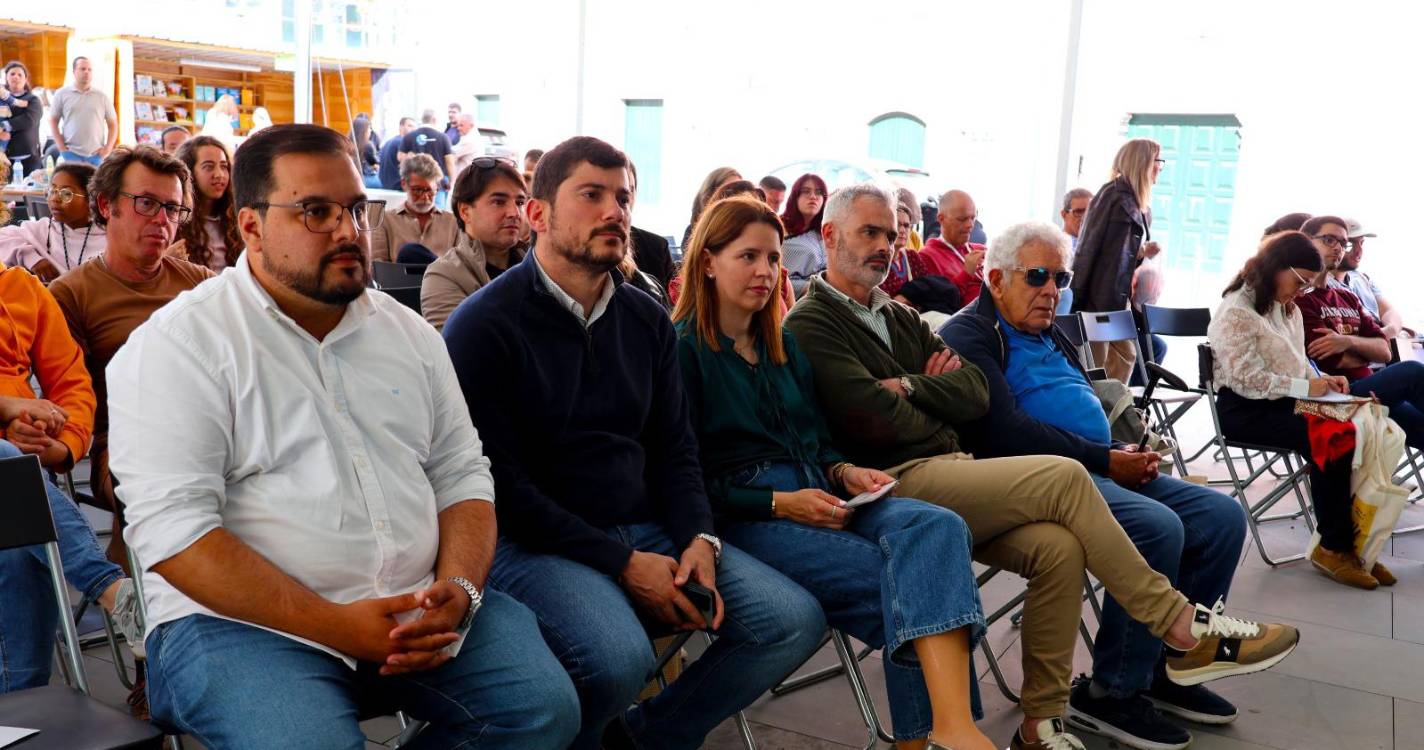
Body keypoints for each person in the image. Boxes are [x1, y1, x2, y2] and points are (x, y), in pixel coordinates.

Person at [106, 123, 578, 748]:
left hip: (416, 603)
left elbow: (461, 473)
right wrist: (336, 624)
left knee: (543, 709)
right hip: (240, 625)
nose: (347, 230)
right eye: (315, 212)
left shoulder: (406, 335)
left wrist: (459, 589)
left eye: (355, 209)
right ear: (250, 226)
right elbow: (175, 532)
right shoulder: (180, 346)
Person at [786, 183, 1299, 750]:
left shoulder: (896, 314)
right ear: (829, 236)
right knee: (1065, 477)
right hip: (892, 485)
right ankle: (1179, 624)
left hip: (949, 467)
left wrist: (911, 387)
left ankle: (1041, 722)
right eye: (870, 232)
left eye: (890, 233)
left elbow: (974, 392)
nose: (886, 245)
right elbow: (871, 420)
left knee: (1061, 547)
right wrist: (933, 397)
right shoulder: (812, 323)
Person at [442, 136, 825, 750]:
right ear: (537, 214)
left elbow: (676, 448)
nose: (614, 211)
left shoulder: (645, 318)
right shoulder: (485, 325)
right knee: (617, 658)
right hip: (532, 541)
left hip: (641, 525)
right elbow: (500, 488)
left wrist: (698, 537)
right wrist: (622, 564)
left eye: (623, 197)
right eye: (591, 195)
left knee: (789, 621)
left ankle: (644, 737)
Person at [672, 194, 996, 750]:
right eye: (748, 257)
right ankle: (938, 738)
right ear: (707, 261)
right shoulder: (683, 353)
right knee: (911, 583)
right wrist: (779, 503)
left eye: (773, 259)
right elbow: (685, 478)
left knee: (938, 529)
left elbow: (817, 441)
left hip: (821, 492)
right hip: (748, 514)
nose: (766, 272)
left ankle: (950, 730)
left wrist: (843, 470)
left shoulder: (782, 347)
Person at [943, 221, 1277, 749]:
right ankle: (1112, 693)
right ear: (997, 278)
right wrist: (1104, 457)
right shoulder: (971, 333)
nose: (1052, 290)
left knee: (1221, 517)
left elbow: (1082, 395)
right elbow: (1003, 431)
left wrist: (1119, 450)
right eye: (1037, 276)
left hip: (1098, 466)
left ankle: (1169, 671)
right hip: (1034, 479)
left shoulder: (1045, 327)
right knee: (1158, 527)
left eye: (1060, 276)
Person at [47, 147, 213, 570]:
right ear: (107, 206)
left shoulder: (202, 285)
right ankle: (145, 591)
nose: (163, 220)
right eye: (147, 203)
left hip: (216, 432)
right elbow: (73, 402)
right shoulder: (71, 295)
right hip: (123, 446)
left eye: (173, 208)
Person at [1206, 230, 1386, 589]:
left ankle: (1353, 542)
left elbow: (1299, 362)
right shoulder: (1237, 310)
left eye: (1308, 284)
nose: (1302, 290)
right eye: (1299, 281)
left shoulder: (1286, 307)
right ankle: (1333, 547)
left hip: (1284, 401)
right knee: (1334, 436)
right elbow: (1245, 380)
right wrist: (1307, 388)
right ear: (1276, 267)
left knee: (1362, 425)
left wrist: (1325, 379)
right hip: (1245, 411)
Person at [0, 262, 146, 693]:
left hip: (19, 476)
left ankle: (23, 704)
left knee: (15, 518)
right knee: (11, 473)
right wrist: (5, 407)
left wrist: (60, 446)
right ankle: (111, 588)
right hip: (13, 468)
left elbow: (71, 384)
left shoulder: (19, 288)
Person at [1296, 215, 1424, 448]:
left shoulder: (1347, 296)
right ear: (1305, 241)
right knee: (1412, 372)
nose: (1338, 248)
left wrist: (1347, 342)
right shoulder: (1300, 298)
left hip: (1374, 394)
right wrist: (1366, 348)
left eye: (1342, 243)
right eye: (1328, 239)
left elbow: (1384, 351)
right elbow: (1333, 359)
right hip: (1332, 395)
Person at [1070, 138, 1163, 383]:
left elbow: (1121, 254)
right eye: (1157, 162)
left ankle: (1112, 414)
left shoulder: (1140, 204)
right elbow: (1087, 248)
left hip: (1119, 298)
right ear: (1142, 163)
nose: (1160, 168)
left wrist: (1142, 252)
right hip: (1098, 298)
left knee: (1125, 357)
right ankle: (1097, 414)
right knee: (1096, 367)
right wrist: (1076, 298)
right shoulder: (1110, 195)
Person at [422, 157, 528, 330]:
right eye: (499, 202)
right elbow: (460, 349)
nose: (514, 212)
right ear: (465, 211)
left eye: (520, 203)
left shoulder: (538, 263)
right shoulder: (445, 274)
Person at [0, 162, 105, 281]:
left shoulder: (108, 239)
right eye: (52, 191)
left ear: (90, 200)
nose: (55, 199)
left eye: (66, 193)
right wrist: (32, 258)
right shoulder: (43, 229)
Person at [370, 153, 460, 264]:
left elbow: (461, 265)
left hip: (442, 280)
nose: (424, 197)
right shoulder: (384, 221)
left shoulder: (453, 222)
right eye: (417, 190)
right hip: (398, 280)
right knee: (408, 252)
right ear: (404, 184)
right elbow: (379, 267)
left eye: (429, 190)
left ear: (437, 187)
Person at [172, 135, 244, 271]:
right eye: (208, 167)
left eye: (224, 167)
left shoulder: (234, 218)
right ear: (188, 172)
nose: (219, 174)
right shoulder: (175, 220)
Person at [1336, 218, 1411, 338]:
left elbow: (1389, 311)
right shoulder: (1324, 287)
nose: (1359, 250)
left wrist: (1389, 331)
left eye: (1361, 243)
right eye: (1351, 243)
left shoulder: (1362, 278)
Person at [920, 189, 987, 307]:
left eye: (973, 218)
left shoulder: (982, 250)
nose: (970, 225)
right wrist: (966, 273)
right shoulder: (927, 256)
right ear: (941, 218)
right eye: (962, 219)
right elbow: (940, 302)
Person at [49, 57, 117, 166]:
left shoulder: (101, 97)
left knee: (94, 183)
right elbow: (53, 120)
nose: (86, 72)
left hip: (96, 156)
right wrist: (61, 147)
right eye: (82, 69)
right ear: (74, 71)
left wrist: (108, 148)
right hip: (70, 154)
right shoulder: (61, 94)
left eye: (89, 70)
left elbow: (113, 124)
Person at [780, 172, 828, 296]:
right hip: (789, 298)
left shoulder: (824, 231)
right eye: (806, 191)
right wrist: (810, 286)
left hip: (824, 296)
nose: (813, 197)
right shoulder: (779, 226)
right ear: (795, 196)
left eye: (818, 192)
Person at [682, 166, 742, 249]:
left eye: (741, 190)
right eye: (729, 192)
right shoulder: (693, 233)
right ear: (709, 196)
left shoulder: (749, 229)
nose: (738, 197)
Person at [401, 109, 456, 199]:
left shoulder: (409, 136)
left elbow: (400, 157)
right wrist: (452, 182)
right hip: (437, 185)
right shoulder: (443, 137)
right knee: (437, 212)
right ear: (434, 120)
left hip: (415, 184)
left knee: (415, 211)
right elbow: (450, 162)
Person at [1, 61, 44, 177]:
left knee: (30, 194)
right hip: (4, 160)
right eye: (12, 74)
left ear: (25, 79)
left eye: (20, 75)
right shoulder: (1, 100)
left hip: (30, 160)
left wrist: (4, 126)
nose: (16, 77)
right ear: (6, 78)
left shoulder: (33, 100)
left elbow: (29, 120)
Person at [378, 116, 415, 190]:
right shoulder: (402, 142)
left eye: (414, 127)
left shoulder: (389, 142)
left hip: (384, 185)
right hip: (397, 185)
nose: (414, 129)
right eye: (410, 126)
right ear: (401, 127)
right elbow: (411, 165)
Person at [351, 114, 380, 189]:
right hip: (363, 179)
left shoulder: (347, 143)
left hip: (351, 178)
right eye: (369, 128)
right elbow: (375, 163)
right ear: (364, 131)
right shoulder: (367, 145)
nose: (370, 130)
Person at [449, 113, 482, 177]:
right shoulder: (470, 137)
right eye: (458, 125)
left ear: (471, 125)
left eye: (461, 125)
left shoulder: (470, 140)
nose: (458, 128)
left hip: (466, 178)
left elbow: (451, 154)